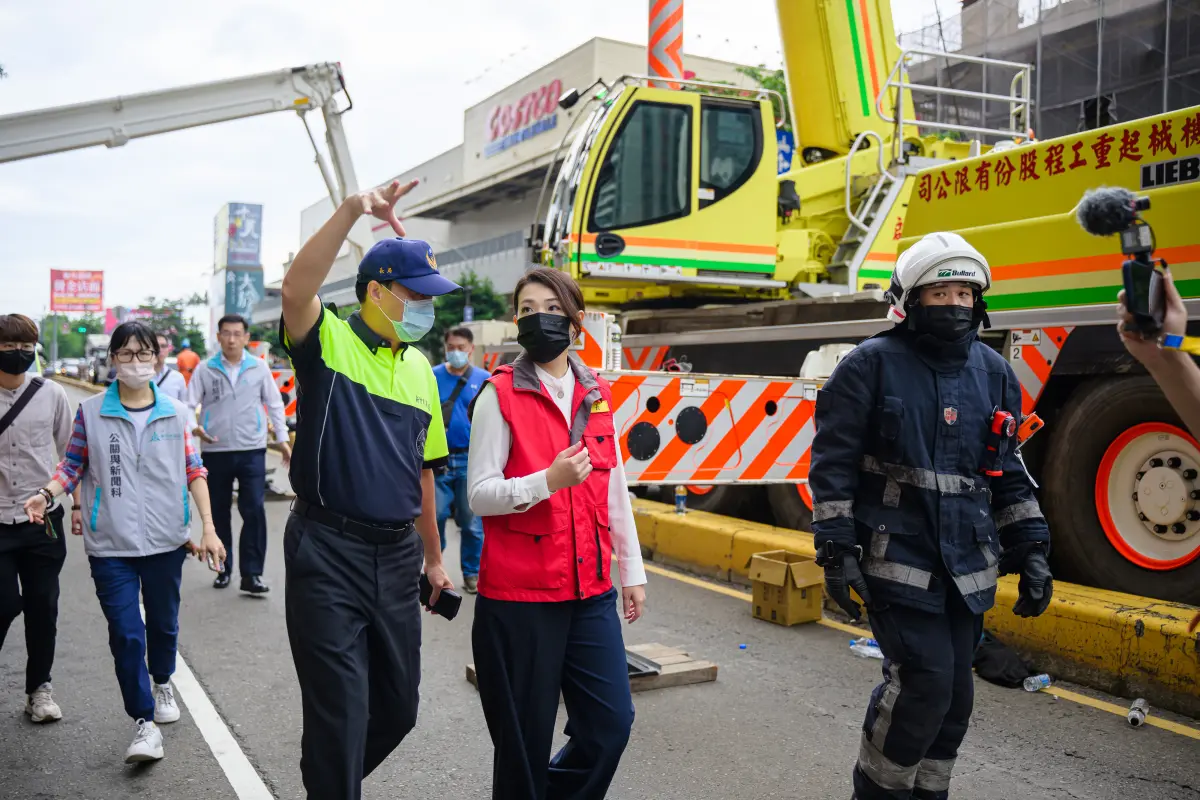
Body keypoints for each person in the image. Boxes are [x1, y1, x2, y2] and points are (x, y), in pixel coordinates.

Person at [809, 232, 1053, 800]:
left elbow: (1007, 470)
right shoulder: (868, 366)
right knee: (923, 684)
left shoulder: (994, 373)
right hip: (897, 558)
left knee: (955, 698)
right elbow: (833, 465)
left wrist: (1033, 548)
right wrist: (837, 551)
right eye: (941, 292)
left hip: (967, 564)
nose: (956, 305)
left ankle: (929, 794)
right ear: (911, 300)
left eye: (966, 293)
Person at [279, 178, 458, 800]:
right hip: (327, 553)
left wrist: (434, 558)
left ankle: (330, 784)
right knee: (342, 713)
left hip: (398, 557)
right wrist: (355, 208)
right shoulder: (326, 339)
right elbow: (296, 289)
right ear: (376, 292)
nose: (425, 308)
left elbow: (424, 471)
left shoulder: (420, 370)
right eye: (416, 295)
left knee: (398, 710)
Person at [467, 267, 647, 800]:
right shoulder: (498, 396)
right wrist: (547, 481)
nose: (537, 317)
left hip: (590, 594)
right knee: (523, 743)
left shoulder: (598, 396)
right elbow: (479, 494)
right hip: (521, 598)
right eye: (526, 309)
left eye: (550, 307)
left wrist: (631, 572)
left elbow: (615, 491)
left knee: (609, 726)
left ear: (575, 321)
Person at [23, 321, 225, 764]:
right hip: (110, 544)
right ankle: (144, 722)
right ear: (113, 359)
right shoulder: (91, 412)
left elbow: (194, 471)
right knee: (126, 634)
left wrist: (207, 527)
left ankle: (163, 680)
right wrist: (46, 494)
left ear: (158, 358)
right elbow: (70, 466)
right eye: (127, 354)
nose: (136, 362)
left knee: (163, 624)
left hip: (167, 541)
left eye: (144, 354)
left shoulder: (176, 411)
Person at [0, 314, 72, 723]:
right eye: (8, 347)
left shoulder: (52, 394)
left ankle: (38, 689)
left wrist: (77, 506)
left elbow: (70, 457)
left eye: (25, 346)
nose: (18, 354)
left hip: (42, 519)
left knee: (43, 604)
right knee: (4, 602)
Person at [188, 314, 291, 594]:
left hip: (252, 449)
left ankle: (252, 575)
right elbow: (188, 405)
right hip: (216, 449)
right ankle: (223, 568)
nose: (231, 339)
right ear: (218, 337)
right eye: (226, 333)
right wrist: (194, 428)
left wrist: (282, 439)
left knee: (254, 510)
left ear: (246, 338)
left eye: (237, 334)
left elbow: (273, 404)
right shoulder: (205, 369)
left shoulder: (258, 367)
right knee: (218, 512)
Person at [433, 326, 489, 593]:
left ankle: (471, 573)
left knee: (471, 522)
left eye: (461, 348)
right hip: (437, 461)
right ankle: (434, 569)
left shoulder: (484, 379)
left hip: (470, 460)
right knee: (436, 517)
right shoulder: (431, 376)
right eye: (451, 347)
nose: (456, 352)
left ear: (471, 349)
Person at [153, 333, 188, 404]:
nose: (159, 349)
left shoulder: (178, 378)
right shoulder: (141, 377)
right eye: (155, 346)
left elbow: (184, 406)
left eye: (163, 346)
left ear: (168, 350)